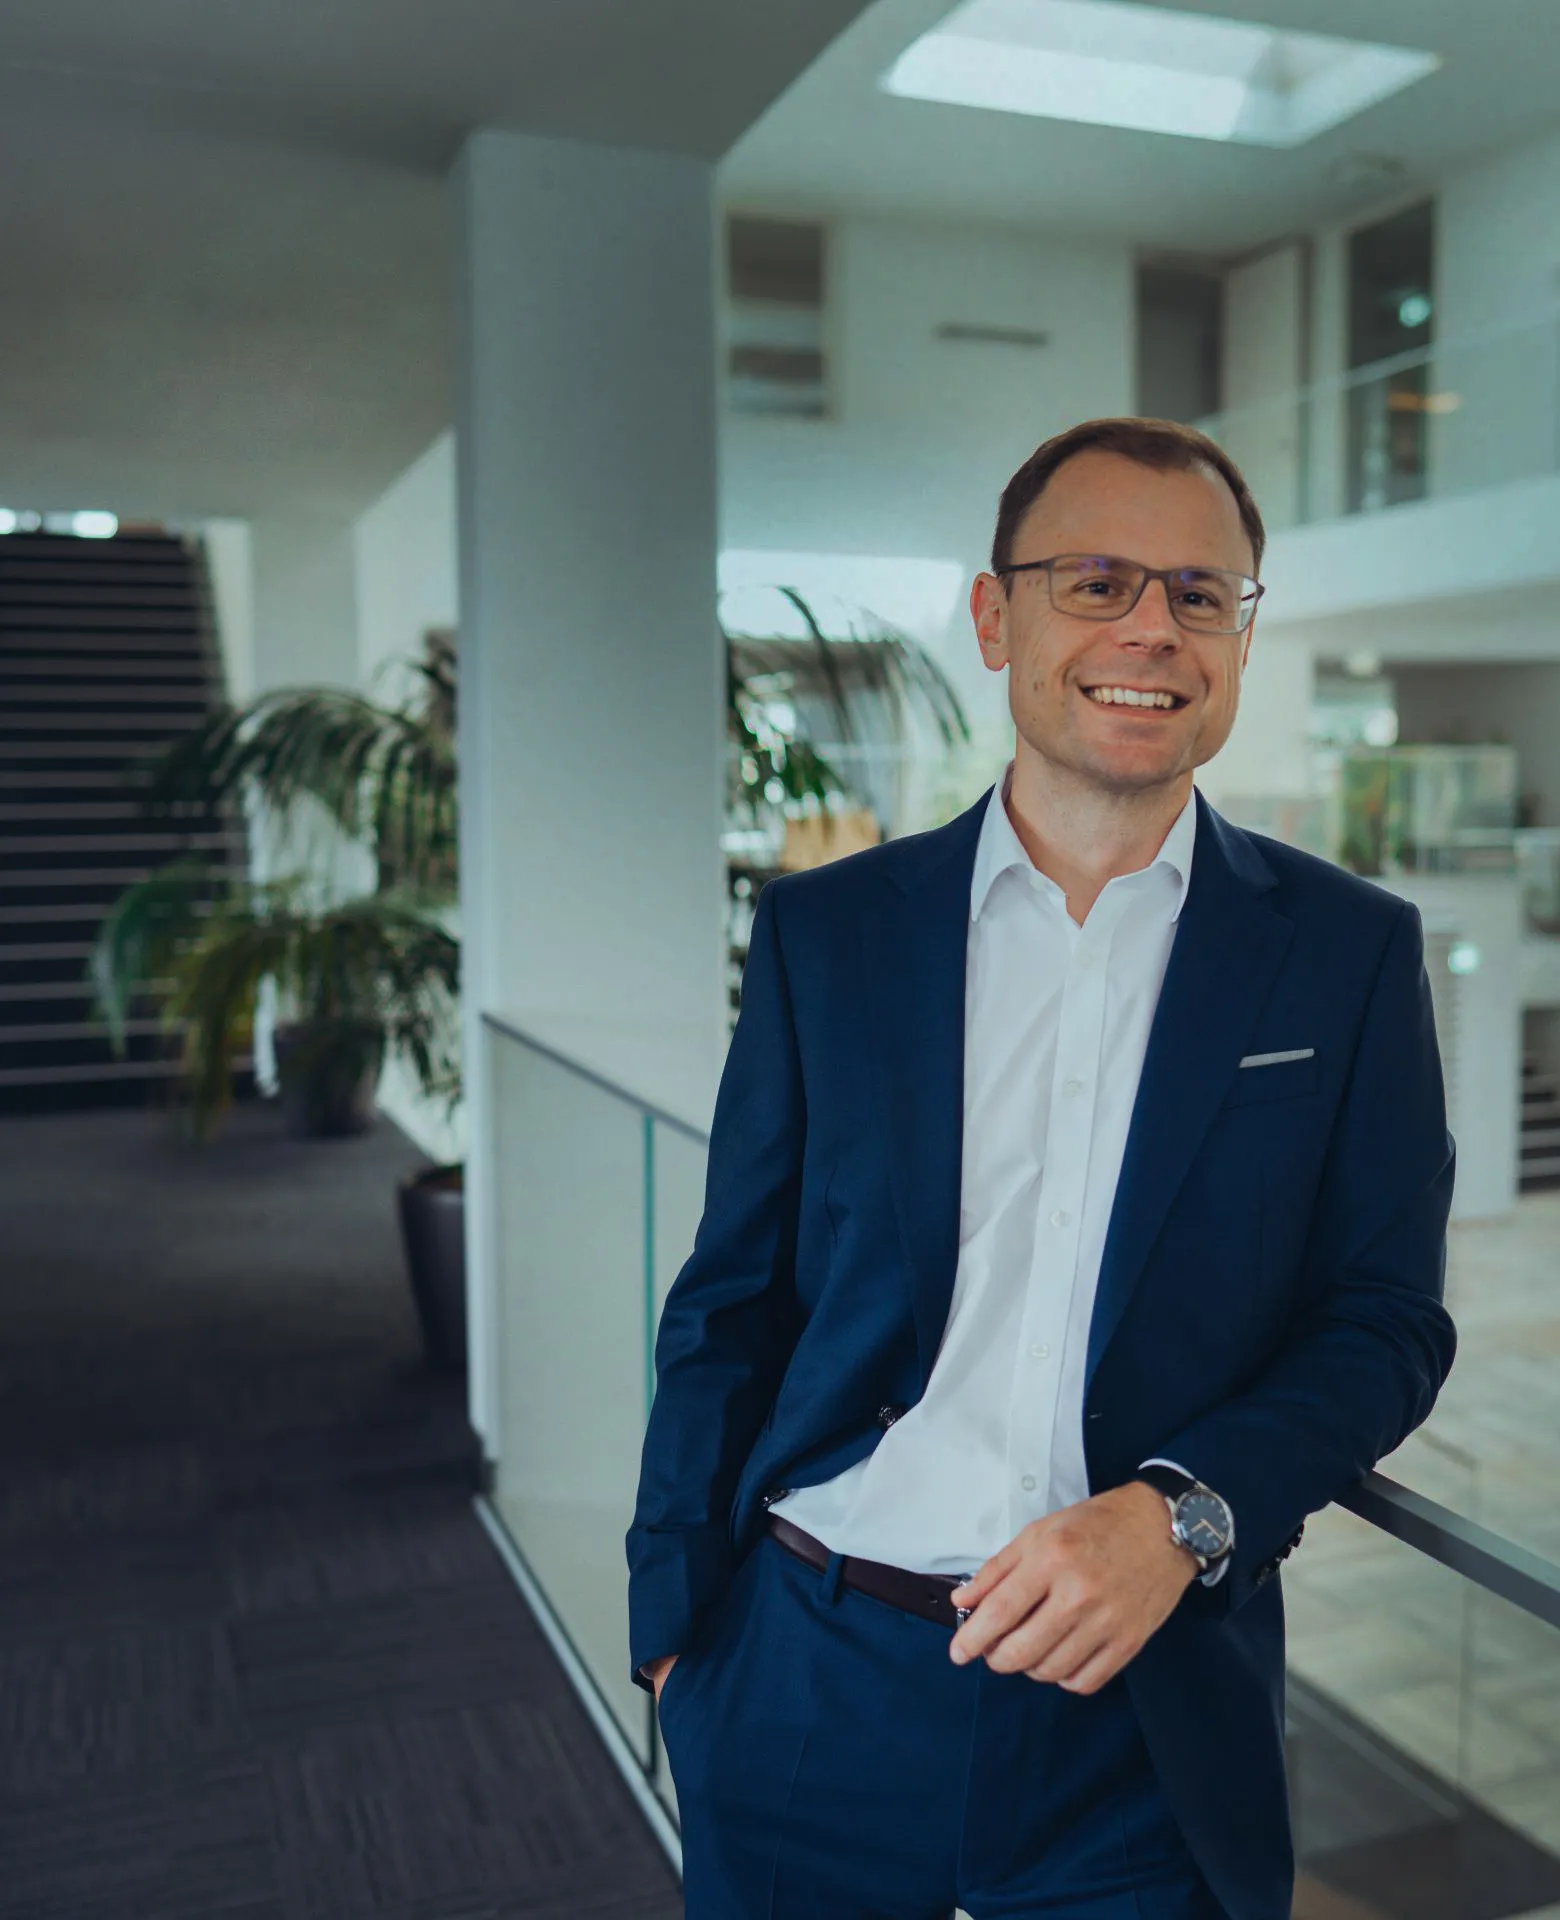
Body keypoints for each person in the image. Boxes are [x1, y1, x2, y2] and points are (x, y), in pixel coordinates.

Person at [626, 417, 1456, 1920]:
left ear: (1241, 644)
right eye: (1098, 581)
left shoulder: (1345, 957)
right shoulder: (832, 935)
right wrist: (674, 1635)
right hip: (811, 1676)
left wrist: (1182, 1513)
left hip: (1144, 1716)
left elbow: (1387, 1320)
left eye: (1202, 595)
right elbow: (730, 1297)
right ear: (998, 618)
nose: (1153, 625)